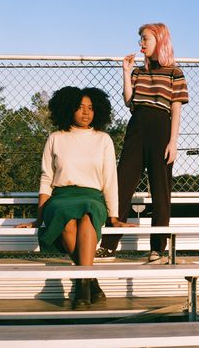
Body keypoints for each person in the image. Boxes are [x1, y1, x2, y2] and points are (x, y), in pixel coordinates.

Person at [16, 86, 127, 307]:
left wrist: (113, 216)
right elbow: (47, 178)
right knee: (65, 217)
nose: (86, 113)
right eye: (79, 107)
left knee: (88, 216)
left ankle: (82, 286)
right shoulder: (56, 138)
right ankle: (88, 284)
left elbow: (110, 180)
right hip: (61, 198)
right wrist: (39, 218)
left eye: (91, 108)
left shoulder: (103, 140)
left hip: (92, 196)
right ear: (68, 109)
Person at [96, 22, 189, 263]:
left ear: (159, 39)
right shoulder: (138, 71)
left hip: (161, 127)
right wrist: (126, 72)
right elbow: (129, 102)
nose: (141, 43)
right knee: (121, 185)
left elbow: (176, 109)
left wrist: (173, 142)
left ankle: (157, 248)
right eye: (140, 39)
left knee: (161, 190)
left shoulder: (174, 72)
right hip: (137, 126)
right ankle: (109, 245)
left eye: (145, 38)